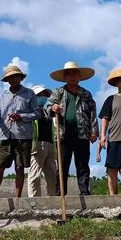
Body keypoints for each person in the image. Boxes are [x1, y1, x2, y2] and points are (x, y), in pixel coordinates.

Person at [46, 61, 98, 195]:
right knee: (62, 166)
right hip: (63, 134)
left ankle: (84, 191)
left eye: (75, 73)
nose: (72, 76)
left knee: (82, 165)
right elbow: (47, 107)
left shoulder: (86, 94)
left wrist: (94, 131)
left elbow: (93, 113)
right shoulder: (59, 92)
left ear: (79, 76)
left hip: (82, 133)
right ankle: (60, 193)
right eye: (69, 74)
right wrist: (53, 108)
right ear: (65, 77)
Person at [0, 65, 40, 198]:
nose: (12, 79)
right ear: (7, 80)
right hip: (5, 136)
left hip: (23, 136)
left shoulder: (29, 94)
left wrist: (21, 117)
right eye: (9, 77)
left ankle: (17, 200)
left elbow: (37, 113)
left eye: (15, 76)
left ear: (20, 78)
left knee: (19, 168)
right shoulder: (3, 95)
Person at [27, 85, 57, 197]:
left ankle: (52, 199)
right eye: (40, 95)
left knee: (52, 174)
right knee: (35, 174)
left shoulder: (48, 112)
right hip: (37, 144)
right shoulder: (30, 111)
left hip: (50, 144)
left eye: (45, 95)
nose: (43, 97)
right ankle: (34, 200)